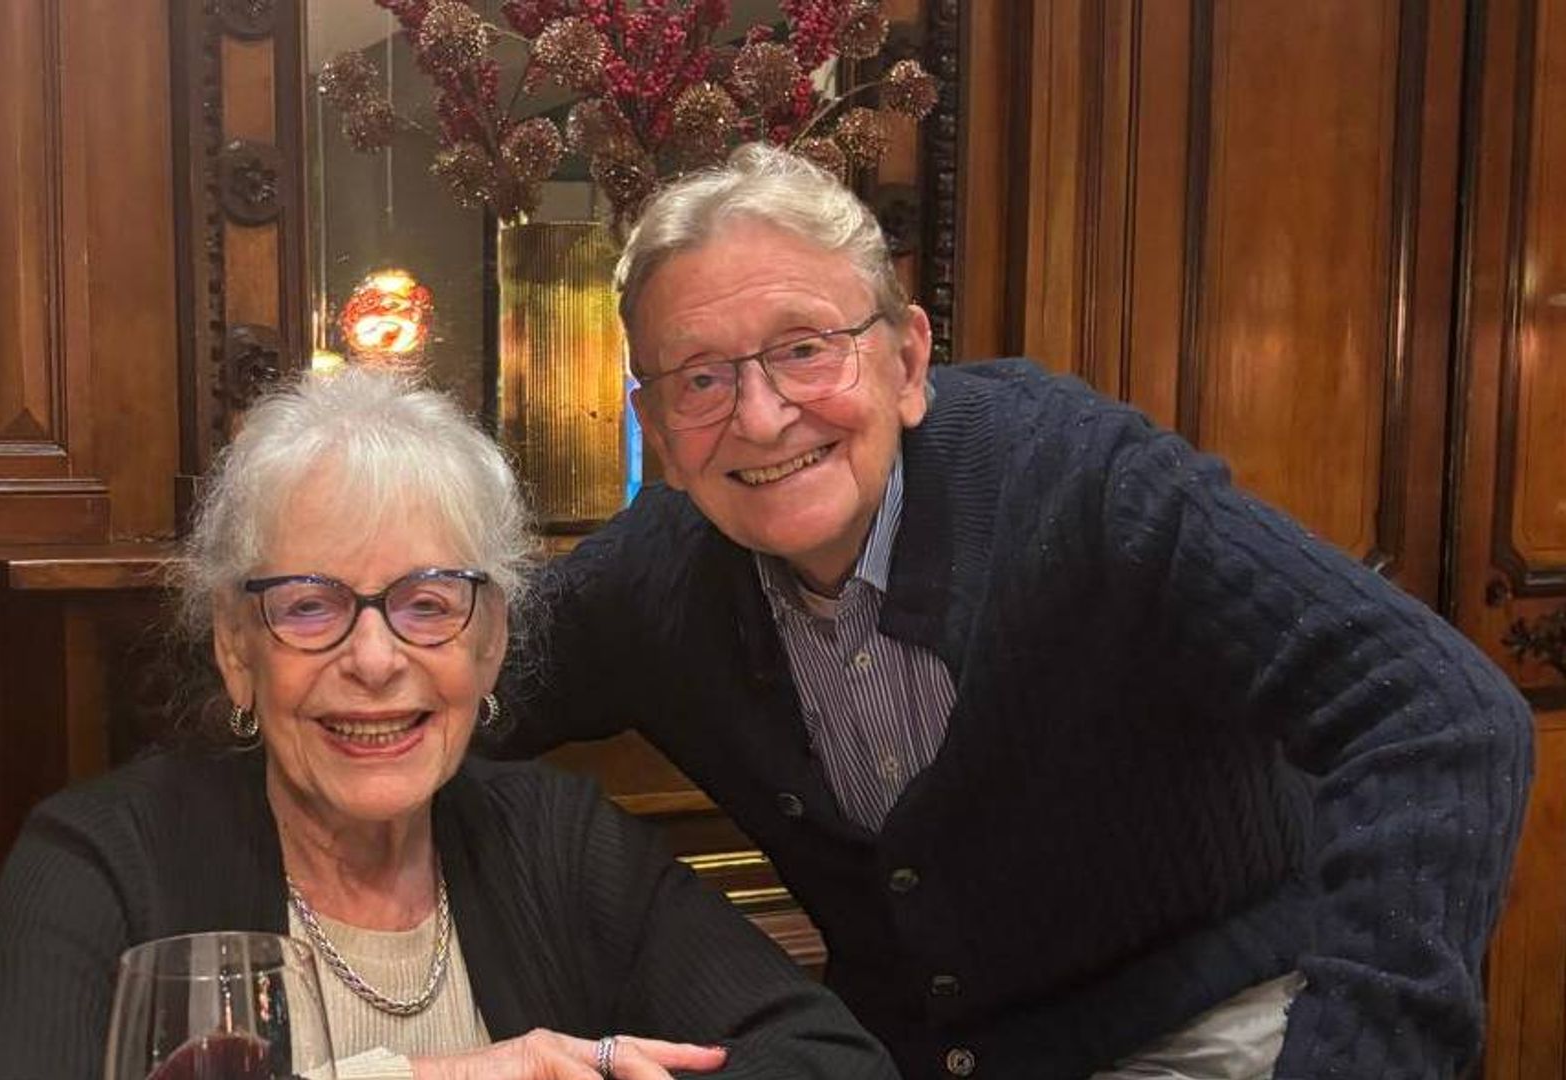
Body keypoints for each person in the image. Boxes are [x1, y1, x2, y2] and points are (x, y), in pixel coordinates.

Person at [484, 144, 1533, 1079]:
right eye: (702, 379)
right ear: (657, 428)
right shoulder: (654, 581)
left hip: (1217, 1026)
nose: (761, 418)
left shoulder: (1081, 480)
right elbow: (450, 673)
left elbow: (1436, 711)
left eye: (806, 348)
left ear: (907, 361)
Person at [0, 369, 900, 1080]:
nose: (374, 659)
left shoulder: (560, 842)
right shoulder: (107, 859)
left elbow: (829, 1060)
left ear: (489, 645)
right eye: (309, 605)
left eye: (428, 603)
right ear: (237, 650)